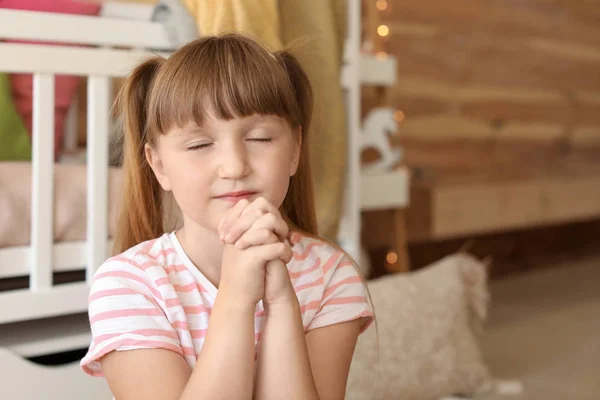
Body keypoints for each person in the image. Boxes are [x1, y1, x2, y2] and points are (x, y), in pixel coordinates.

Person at [80, 33, 373, 400]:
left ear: (295, 148)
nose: (235, 166)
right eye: (200, 144)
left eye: (261, 139)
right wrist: (236, 298)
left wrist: (282, 304)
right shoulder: (128, 286)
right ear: (159, 165)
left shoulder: (330, 275)